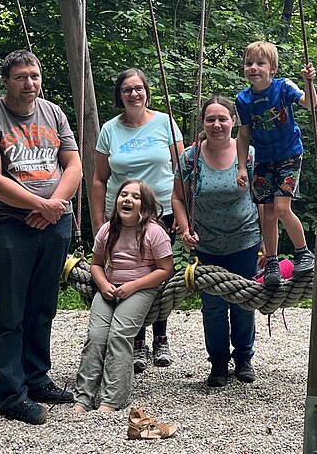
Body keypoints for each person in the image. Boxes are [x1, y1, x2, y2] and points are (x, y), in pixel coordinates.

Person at [0, 49, 81, 424]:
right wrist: (39, 205)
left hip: (54, 222)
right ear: (6, 81)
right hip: (10, 226)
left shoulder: (53, 113)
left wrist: (55, 204)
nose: (29, 83)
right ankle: (11, 394)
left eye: (34, 76)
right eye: (21, 77)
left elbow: (74, 164)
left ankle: (37, 378)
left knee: (43, 306)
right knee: (11, 311)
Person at [91, 68, 184, 374]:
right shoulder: (110, 130)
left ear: (147, 91)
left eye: (139, 88)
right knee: (127, 271)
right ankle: (137, 343)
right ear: (120, 95)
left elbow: (182, 170)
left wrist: (182, 214)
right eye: (127, 90)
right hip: (123, 214)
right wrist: (98, 222)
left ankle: (161, 336)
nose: (134, 94)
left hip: (162, 211)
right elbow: (99, 179)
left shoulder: (165, 123)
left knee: (158, 272)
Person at [174, 96, 262, 387]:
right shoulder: (190, 156)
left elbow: (262, 198)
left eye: (222, 118)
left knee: (243, 303)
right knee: (212, 306)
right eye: (210, 119)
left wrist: (266, 243)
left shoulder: (248, 154)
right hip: (207, 243)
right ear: (203, 123)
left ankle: (244, 358)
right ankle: (218, 363)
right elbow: (178, 197)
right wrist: (185, 229)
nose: (217, 124)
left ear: (233, 121)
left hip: (245, 239)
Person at [72, 180, 174, 412]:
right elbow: (96, 264)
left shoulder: (154, 232)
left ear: (145, 207)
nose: (127, 199)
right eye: (123, 195)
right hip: (110, 285)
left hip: (141, 287)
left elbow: (165, 270)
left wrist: (134, 286)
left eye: (135, 197)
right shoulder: (108, 230)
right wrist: (103, 283)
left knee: (119, 335)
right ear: (116, 200)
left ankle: (112, 399)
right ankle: (83, 397)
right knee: (96, 336)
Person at [234, 41, 317, 286]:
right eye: (249, 63)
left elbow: (309, 103)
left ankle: (303, 252)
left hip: (289, 154)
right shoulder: (244, 99)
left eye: (260, 63)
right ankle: (272, 262)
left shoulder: (282, 87)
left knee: (281, 208)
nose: (254, 68)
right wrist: (241, 167)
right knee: (268, 213)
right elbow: (243, 134)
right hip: (263, 158)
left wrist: (308, 82)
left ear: (272, 68)